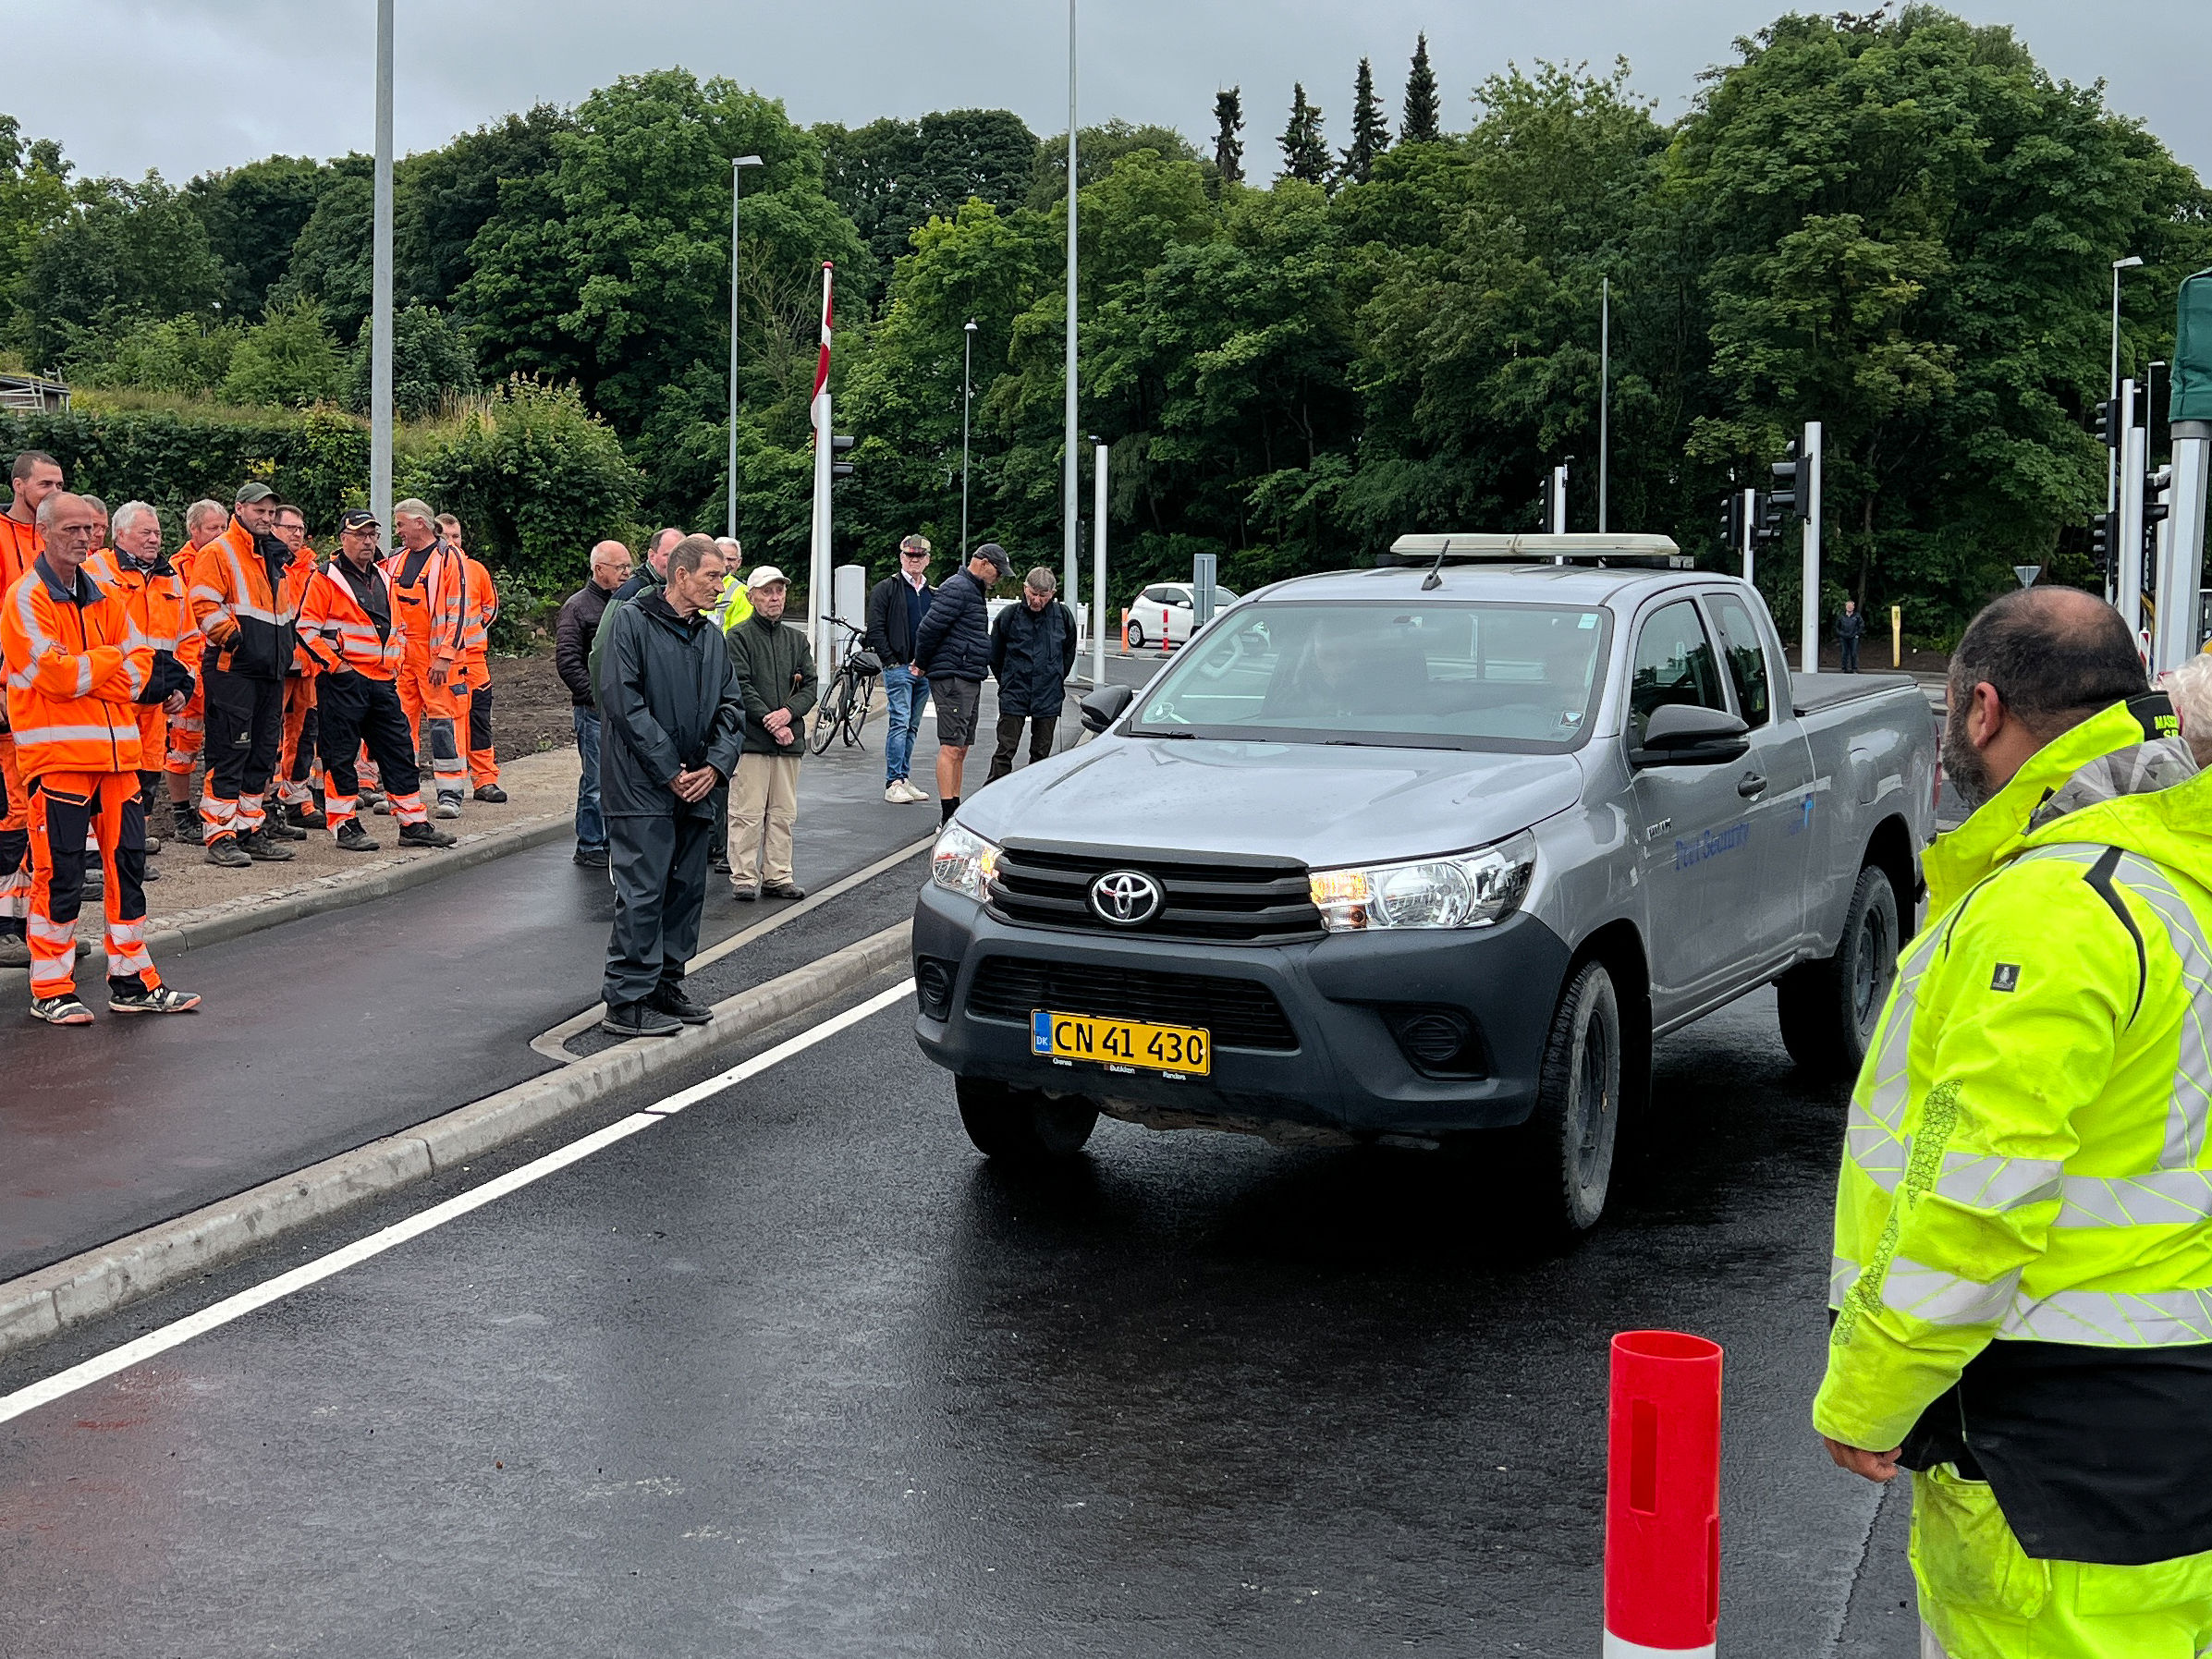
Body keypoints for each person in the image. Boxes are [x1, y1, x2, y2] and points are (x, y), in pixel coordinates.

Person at [1815, 586, 2212, 1659]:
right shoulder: (2173, 873)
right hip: (2161, 1445)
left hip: (2050, 1467)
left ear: (1981, 708)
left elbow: (1972, 1197)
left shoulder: (2053, 905)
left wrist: (1866, 1392)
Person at [0, 491, 199, 1021]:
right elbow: (56, 678)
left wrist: (95, 666)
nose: (84, 538)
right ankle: (50, 987)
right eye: (72, 529)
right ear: (43, 532)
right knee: (61, 873)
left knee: (128, 868)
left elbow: (142, 671)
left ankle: (132, 981)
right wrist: (111, 663)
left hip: (118, 761)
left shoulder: (105, 595)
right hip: (59, 761)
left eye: (89, 529)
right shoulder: (26, 597)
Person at [597, 534, 744, 1038]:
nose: (720, 586)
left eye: (722, 577)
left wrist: (716, 767)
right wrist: (669, 770)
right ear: (680, 575)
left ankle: (665, 985)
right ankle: (627, 1001)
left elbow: (731, 708)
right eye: (712, 576)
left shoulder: (710, 637)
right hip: (641, 787)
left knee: (685, 891)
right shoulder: (631, 622)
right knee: (644, 892)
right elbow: (623, 701)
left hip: (696, 785)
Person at [295, 510, 456, 855]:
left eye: (372, 535)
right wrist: (338, 667)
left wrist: (395, 662)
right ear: (343, 538)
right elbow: (306, 630)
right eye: (360, 534)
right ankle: (344, 825)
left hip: (381, 681)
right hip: (343, 682)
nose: (367, 541)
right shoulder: (324, 578)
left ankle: (413, 823)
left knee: (399, 751)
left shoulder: (383, 576)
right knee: (340, 755)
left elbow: (397, 626)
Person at [189, 482, 300, 867]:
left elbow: (281, 614)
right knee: (229, 752)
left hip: (269, 670)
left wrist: (283, 651)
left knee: (261, 754)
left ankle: (250, 830)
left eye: (270, 512)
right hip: (232, 669)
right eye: (259, 511)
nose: (266, 518)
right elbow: (203, 603)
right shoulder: (219, 551)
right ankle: (220, 834)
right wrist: (235, 639)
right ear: (239, 509)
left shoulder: (272, 555)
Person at [85, 503, 196, 885]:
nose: (154, 539)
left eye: (158, 533)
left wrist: (184, 686)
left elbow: (189, 640)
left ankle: (130, 852)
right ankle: (97, 857)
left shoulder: (172, 580)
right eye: (145, 533)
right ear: (120, 534)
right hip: (112, 701)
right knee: (104, 779)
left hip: (155, 704)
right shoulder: (97, 571)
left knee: (144, 780)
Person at [0, 449, 63, 966]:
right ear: (19, 485)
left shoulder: (54, 541)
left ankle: (29, 923)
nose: (55, 492)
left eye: (60, 484)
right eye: (46, 484)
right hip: (11, 695)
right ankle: (5, 925)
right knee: (12, 811)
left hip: (46, 697)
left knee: (37, 810)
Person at [724, 566, 818, 902]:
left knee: (783, 813)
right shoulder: (737, 637)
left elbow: (810, 685)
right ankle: (744, 877)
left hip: (788, 741)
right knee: (746, 813)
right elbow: (739, 685)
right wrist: (771, 720)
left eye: (779, 591)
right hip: (752, 740)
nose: (775, 597)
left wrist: (787, 714)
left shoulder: (797, 639)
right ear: (751, 597)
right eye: (767, 592)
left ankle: (779, 875)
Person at [912, 541, 1008, 824]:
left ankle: (955, 807)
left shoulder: (972, 589)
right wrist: (921, 663)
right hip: (953, 675)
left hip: (968, 674)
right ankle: (947, 815)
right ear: (983, 563)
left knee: (962, 746)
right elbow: (929, 628)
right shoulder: (957, 587)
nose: (999, 578)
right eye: (998, 572)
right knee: (951, 746)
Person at [384, 499, 467, 817]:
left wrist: (445, 656)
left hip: (435, 661)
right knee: (399, 727)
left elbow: (458, 610)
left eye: (400, 524)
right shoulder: (396, 560)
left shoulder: (448, 558)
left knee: (442, 724)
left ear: (420, 523)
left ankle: (450, 794)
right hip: (402, 661)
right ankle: (403, 792)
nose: (398, 531)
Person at [556, 539, 631, 868]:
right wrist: (597, 699)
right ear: (599, 569)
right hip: (593, 711)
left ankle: (611, 840)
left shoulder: (626, 604)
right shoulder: (577, 607)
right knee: (596, 781)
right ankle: (589, 844)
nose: (627, 573)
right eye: (620, 567)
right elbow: (568, 661)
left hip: (621, 709)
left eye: (628, 566)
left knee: (618, 780)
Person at [162, 499, 228, 844]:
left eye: (224, 527)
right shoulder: (176, 569)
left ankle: (215, 810)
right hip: (190, 670)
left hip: (224, 667)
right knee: (182, 745)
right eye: (213, 528)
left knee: (225, 742)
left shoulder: (230, 561)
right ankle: (181, 813)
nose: (220, 533)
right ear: (194, 530)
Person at [439, 512, 506, 803]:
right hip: (442, 661)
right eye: (446, 537)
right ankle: (450, 786)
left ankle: (485, 780)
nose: (452, 542)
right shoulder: (431, 570)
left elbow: (490, 607)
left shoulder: (476, 570)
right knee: (447, 723)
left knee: (479, 720)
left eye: (456, 536)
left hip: (474, 660)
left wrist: (471, 633)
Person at [988, 566, 1077, 782]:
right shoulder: (1009, 615)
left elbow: (1068, 652)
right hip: (1014, 691)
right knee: (1005, 750)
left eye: (1043, 595)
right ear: (1025, 588)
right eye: (1033, 594)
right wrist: (1007, 681)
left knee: (1041, 754)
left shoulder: (1062, 616)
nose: (1036, 600)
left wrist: (1056, 677)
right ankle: (993, 792)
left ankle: (1034, 793)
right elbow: (995, 655)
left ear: (1052, 594)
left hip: (1048, 694)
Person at [865, 533, 935, 804]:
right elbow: (876, 628)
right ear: (901, 557)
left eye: (919, 556)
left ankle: (903, 777)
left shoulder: (932, 593)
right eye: (909, 555)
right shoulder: (886, 589)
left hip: (924, 670)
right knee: (900, 722)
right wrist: (891, 661)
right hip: (899, 667)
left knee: (912, 726)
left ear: (927, 560)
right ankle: (893, 781)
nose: (913, 560)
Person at [268, 502, 323, 837]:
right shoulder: (267, 564)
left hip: (307, 666)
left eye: (301, 529)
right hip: (276, 665)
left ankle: (298, 799)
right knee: (269, 737)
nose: (297, 534)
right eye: (290, 528)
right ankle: (269, 804)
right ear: (273, 529)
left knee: (305, 736)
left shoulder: (312, 569)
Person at [588, 525, 682, 694]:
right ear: (652, 556)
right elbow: (603, 650)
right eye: (668, 555)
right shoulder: (632, 593)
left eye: (681, 556)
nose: (675, 562)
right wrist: (605, 700)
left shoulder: (680, 593)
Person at [1837, 597, 1865, 673]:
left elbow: (1861, 625)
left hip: (1853, 637)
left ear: (1853, 607)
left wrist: (1857, 634)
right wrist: (1840, 633)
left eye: (1851, 606)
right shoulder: (1841, 616)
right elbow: (1837, 626)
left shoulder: (1857, 616)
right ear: (1846, 607)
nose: (1849, 607)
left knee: (1854, 653)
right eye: (1848, 606)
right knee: (1844, 653)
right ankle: (1844, 668)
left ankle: (1854, 668)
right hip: (1844, 637)